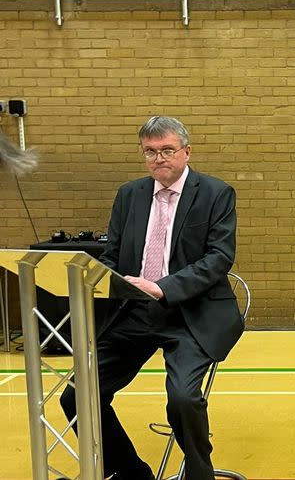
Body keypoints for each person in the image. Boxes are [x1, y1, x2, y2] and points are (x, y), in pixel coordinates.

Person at [60, 116, 242, 480]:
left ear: (186, 152)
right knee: (77, 396)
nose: (159, 158)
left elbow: (219, 259)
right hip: (135, 313)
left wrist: (163, 287)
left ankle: (199, 474)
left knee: (183, 399)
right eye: (150, 152)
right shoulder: (129, 195)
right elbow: (112, 254)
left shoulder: (216, 193)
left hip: (192, 314)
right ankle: (130, 473)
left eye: (167, 150)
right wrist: (103, 279)